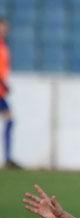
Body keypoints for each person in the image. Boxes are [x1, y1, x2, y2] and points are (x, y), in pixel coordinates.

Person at [0, 17, 16, 169]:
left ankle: (8, 158)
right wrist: (3, 84)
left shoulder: (4, 46)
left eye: (5, 28)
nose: (4, 30)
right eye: (2, 27)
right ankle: (8, 159)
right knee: (10, 120)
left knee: (10, 120)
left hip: (1, 92)